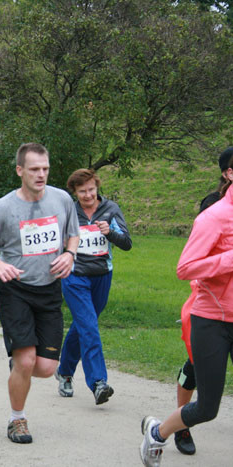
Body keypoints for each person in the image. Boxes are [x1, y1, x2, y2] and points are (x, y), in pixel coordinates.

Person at [0, 143, 79, 444]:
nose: (41, 174)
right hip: (15, 290)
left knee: (46, 367)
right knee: (28, 361)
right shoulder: (4, 207)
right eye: (34, 169)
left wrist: (70, 254)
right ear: (20, 171)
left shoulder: (62, 199)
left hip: (49, 290)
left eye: (45, 169)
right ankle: (17, 419)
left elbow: (73, 232)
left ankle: (19, 365)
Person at [139, 155, 233, 467]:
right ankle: (158, 432)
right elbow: (186, 268)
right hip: (212, 320)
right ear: (229, 174)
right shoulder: (214, 217)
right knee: (207, 408)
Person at [170, 146, 233, 456]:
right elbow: (189, 264)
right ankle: (181, 425)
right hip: (204, 304)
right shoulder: (213, 208)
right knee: (195, 366)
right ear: (227, 172)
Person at [54, 169, 131, 405]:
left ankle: (65, 371)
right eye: (82, 191)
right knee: (89, 327)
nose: (87, 195)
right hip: (74, 275)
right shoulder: (68, 211)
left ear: (97, 187)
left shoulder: (111, 209)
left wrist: (111, 233)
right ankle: (98, 382)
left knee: (83, 325)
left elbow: (127, 243)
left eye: (91, 189)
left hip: (101, 276)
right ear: (75, 192)